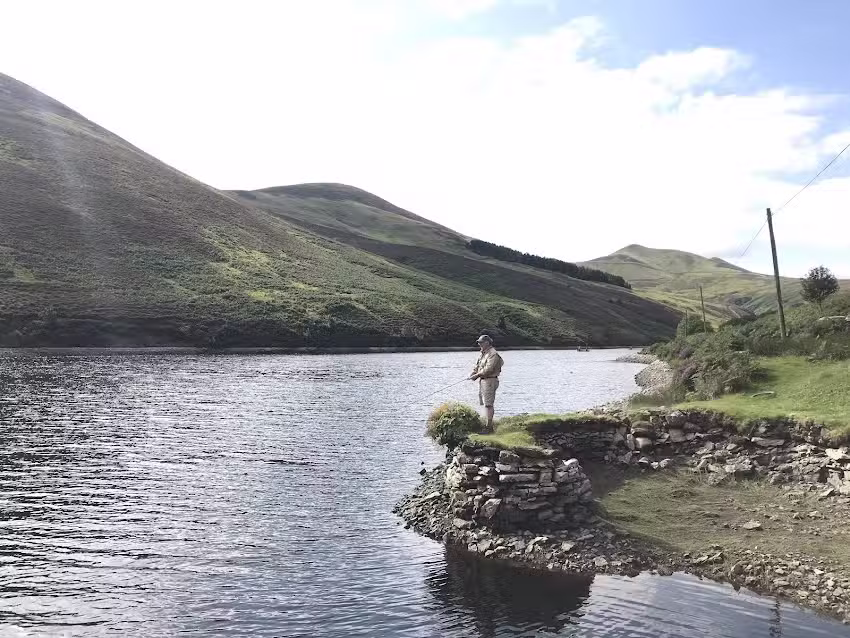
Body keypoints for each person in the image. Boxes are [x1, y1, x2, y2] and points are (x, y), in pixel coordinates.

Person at [469, 335, 503, 432]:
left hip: (490, 380)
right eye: (479, 342)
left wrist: (476, 375)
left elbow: (488, 369)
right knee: (484, 403)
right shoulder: (483, 353)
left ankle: (489, 427)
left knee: (488, 404)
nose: (479, 344)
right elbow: (478, 366)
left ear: (487, 343)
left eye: (481, 342)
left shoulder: (493, 354)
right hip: (483, 380)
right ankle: (487, 424)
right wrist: (473, 372)